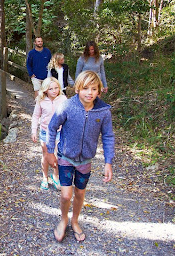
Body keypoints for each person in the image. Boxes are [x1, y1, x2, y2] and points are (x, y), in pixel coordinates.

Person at [44, 70, 115, 243]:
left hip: (85, 161)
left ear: (99, 90)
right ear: (77, 89)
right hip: (65, 158)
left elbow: (108, 136)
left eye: (93, 89)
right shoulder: (67, 106)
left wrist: (108, 162)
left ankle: (75, 220)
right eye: (85, 88)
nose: (89, 92)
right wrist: (50, 151)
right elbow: (52, 127)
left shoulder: (103, 112)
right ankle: (63, 219)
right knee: (66, 195)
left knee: (80, 193)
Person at [31, 77, 67, 191]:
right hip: (45, 132)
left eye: (56, 88)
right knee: (46, 155)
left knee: (57, 156)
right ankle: (44, 178)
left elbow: (68, 115)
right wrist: (33, 130)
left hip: (59, 132)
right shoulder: (41, 100)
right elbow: (36, 116)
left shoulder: (63, 99)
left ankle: (55, 176)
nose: (54, 91)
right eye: (51, 88)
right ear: (46, 90)